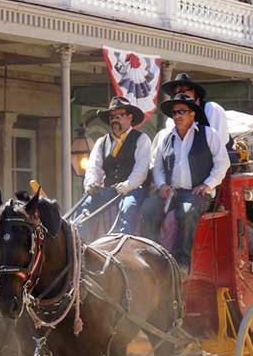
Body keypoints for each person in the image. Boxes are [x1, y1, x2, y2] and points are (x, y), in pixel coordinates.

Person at [138, 94, 230, 272]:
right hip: (171, 192)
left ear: (192, 114)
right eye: (174, 112)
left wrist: (208, 184)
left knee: (187, 213)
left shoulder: (208, 134)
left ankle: (182, 262)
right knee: (148, 208)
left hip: (196, 193)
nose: (177, 116)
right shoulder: (166, 138)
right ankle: (153, 255)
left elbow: (222, 163)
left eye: (182, 111)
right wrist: (162, 185)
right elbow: (157, 167)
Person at [76, 95, 152, 238]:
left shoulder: (141, 139)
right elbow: (94, 167)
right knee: (83, 205)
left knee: (128, 208)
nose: (114, 120)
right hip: (109, 189)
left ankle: (123, 247)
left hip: (134, 190)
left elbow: (141, 170)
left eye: (119, 116)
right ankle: (80, 245)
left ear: (129, 117)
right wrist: (91, 184)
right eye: (112, 117)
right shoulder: (102, 142)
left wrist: (128, 185)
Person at [159, 72, 230, 148]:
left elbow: (220, 142)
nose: (179, 95)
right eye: (175, 93)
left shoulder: (211, 109)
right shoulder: (171, 120)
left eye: (182, 91)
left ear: (194, 92)